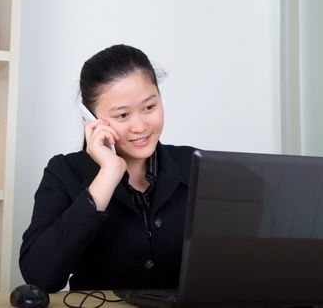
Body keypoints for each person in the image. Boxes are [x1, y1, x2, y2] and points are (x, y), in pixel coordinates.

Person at [19, 44, 196, 292]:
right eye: (123, 115)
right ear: (90, 119)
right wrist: (108, 175)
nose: (139, 126)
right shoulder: (63, 172)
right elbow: (40, 276)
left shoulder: (194, 165)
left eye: (149, 107)